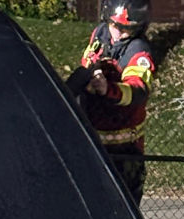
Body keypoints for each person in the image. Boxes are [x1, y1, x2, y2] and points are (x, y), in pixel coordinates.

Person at [73, 1, 155, 202]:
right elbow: (87, 61)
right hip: (92, 143)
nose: (118, 33)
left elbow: (137, 90)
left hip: (124, 152)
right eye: (115, 26)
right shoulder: (100, 34)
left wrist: (108, 89)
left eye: (126, 29)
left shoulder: (139, 51)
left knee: (122, 206)